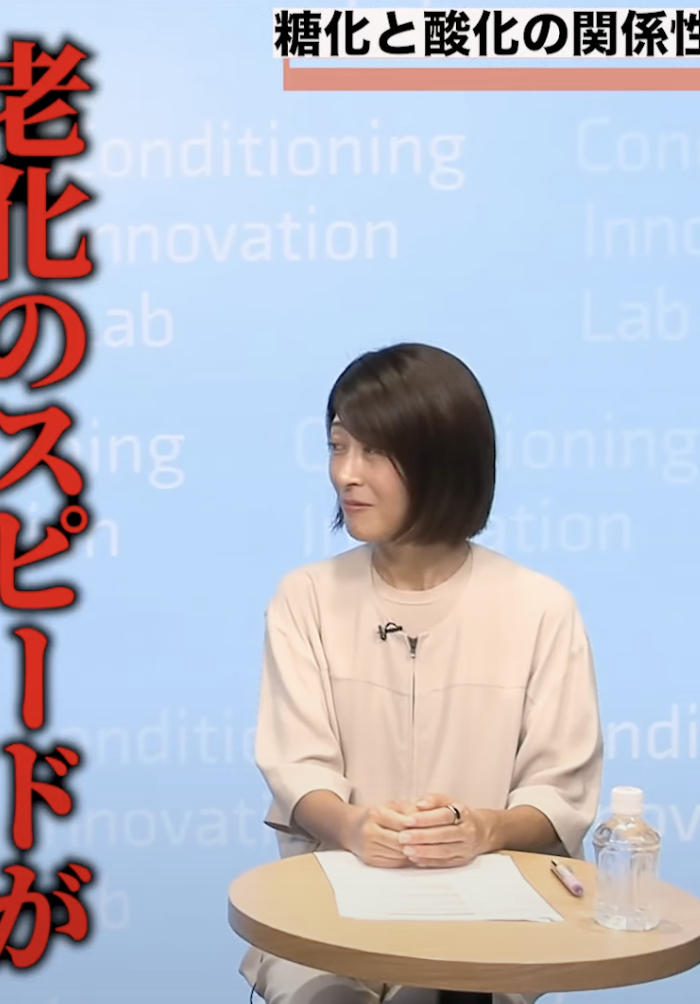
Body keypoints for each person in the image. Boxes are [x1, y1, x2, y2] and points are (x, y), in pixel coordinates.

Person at [242, 344, 603, 1004]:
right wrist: (355, 827)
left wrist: (484, 829)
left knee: (439, 992)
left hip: (485, 917)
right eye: (338, 446)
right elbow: (297, 767)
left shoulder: (540, 607)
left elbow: (560, 792)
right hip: (331, 907)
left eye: (375, 452)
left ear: (444, 458)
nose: (346, 474)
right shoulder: (306, 597)